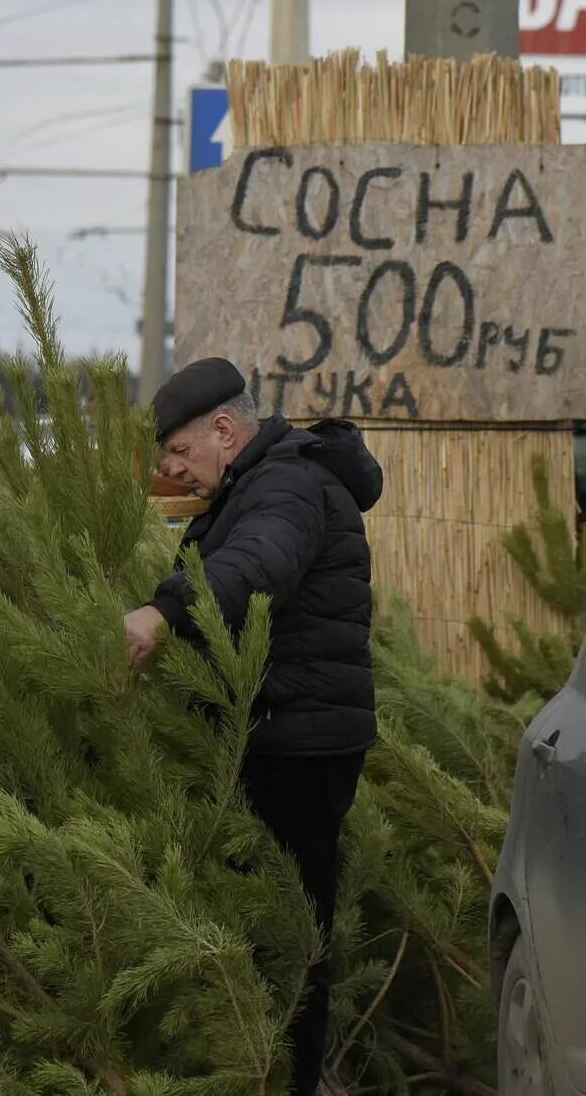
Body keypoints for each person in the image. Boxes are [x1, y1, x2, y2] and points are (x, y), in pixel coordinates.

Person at [121, 356, 382, 1095]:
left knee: (291, 945)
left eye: (178, 452)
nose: (174, 471)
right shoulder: (257, 481)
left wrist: (161, 612)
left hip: (297, 747)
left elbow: (257, 564)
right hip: (277, 735)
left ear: (226, 430)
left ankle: (285, 1080)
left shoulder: (286, 483)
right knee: (266, 934)